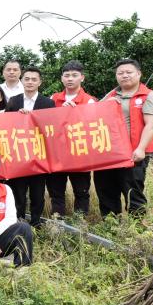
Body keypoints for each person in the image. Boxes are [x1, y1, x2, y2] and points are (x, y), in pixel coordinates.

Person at [94, 59, 153, 217]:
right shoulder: (112, 94)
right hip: (109, 153)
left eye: (129, 72)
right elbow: (94, 114)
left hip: (133, 154)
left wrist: (141, 149)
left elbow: (151, 125)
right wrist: (106, 104)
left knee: (133, 193)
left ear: (139, 74)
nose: (124, 75)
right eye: (120, 73)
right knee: (106, 191)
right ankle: (111, 226)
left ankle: (137, 228)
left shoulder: (150, 96)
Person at [5, 67, 55, 227]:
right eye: (27, 79)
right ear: (22, 81)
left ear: (40, 82)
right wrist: (17, 118)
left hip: (39, 155)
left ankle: (35, 223)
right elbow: (5, 126)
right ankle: (18, 222)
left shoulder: (48, 103)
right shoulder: (13, 101)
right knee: (18, 191)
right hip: (19, 154)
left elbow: (51, 128)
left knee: (38, 192)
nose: (30, 82)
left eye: (34, 79)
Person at [47, 60, 96, 217]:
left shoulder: (89, 100)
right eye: (66, 75)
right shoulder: (53, 98)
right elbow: (45, 122)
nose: (70, 79)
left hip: (80, 154)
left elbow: (92, 126)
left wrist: (76, 114)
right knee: (56, 192)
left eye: (74, 75)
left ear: (82, 77)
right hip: (57, 154)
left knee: (81, 192)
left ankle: (80, 223)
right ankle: (57, 222)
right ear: (62, 78)